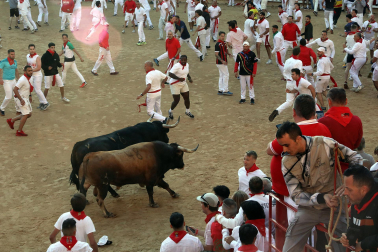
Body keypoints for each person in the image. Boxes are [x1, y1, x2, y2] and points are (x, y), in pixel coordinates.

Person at [276, 121, 362, 252]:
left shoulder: (325, 144)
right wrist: (322, 198)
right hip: (308, 209)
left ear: (298, 139)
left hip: (335, 207)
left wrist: (349, 182)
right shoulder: (286, 161)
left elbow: (356, 158)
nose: (284, 150)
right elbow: (296, 196)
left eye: (286, 145)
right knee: (289, 247)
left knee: (345, 245)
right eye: (282, 145)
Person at [266, 94, 332, 250]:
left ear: (294, 112)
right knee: (313, 226)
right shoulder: (324, 129)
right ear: (314, 111)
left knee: (298, 226)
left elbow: (270, 150)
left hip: (295, 190)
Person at [318, 88, 363, 171]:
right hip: (351, 167)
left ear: (329, 101)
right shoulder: (357, 120)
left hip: (330, 169)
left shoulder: (322, 122)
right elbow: (357, 144)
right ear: (346, 101)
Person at [340, 165, 378, 252]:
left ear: (363, 190)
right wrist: (348, 237)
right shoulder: (357, 200)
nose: (345, 193)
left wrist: (363, 244)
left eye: (349, 189)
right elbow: (355, 226)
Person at [269, 46, 302, 122]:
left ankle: (278, 110)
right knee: (302, 99)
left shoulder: (288, 60)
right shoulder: (299, 62)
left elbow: (284, 70)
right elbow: (299, 73)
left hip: (288, 82)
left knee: (289, 101)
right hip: (295, 82)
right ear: (299, 53)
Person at [6, 65, 33, 136]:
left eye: (31, 70)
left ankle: (11, 120)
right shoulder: (22, 79)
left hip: (25, 97)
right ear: (25, 71)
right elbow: (15, 89)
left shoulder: (29, 78)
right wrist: (21, 99)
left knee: (29, 114)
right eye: (29, 71)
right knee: (26, 114)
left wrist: (30, 96)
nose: (31, 72)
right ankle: (19, 131)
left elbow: (28, 88)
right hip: (21, 98)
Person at [26, 44, 49, 110]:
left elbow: (39, 67)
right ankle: (42, 102)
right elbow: (27, 64)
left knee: (38, 90)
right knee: (35, 90)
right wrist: (26, 68)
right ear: (29, 50)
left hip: (37, 75)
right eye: (31, 49)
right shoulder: (27, 56)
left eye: (33, 49)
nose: (32, 50)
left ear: (35, 49)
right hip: (32, 75)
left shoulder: (37, 57)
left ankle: (45, 103)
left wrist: (30, 71)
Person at [0, 49, 19, 116]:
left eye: (14, 54)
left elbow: (16, 71)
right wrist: (0, 79)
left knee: (17, 94)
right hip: (6, 81)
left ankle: (18, 109)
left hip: (13, 80)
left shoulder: (15, 62)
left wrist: (18, 79)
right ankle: (2, 108)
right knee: (8, 97)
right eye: (11, 54)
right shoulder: (3, 62)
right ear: (8, 54)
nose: (13, 55)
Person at [215, 31, 232, 96]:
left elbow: (226, 50)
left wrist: (228, 53)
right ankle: (225, 90)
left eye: (223, 36)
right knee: (226, 75)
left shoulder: (224, 43)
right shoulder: (218, 44)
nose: (223, 37)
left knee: (222, 75)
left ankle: (220, 89)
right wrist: (222, 61)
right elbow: (216, 54)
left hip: (221, 62)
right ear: (219, 36)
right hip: (221, 62)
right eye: (221, 36)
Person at [343, 24, 358, 89]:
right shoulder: (357, 36)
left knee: (347, 68)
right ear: (356, 28)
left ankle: (345, 81)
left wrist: (344, 49)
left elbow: (345, 43)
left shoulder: (348, 36)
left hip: (349, 53)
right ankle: (355, 83)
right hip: (356, 54)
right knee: (356, 69)